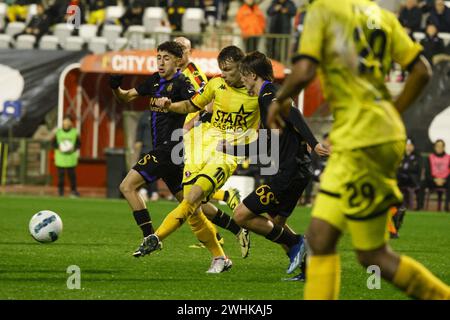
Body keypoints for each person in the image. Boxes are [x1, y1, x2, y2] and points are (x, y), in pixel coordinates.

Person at [267, 0, 449, 299]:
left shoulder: (323, 10)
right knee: (337, 244)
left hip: (363, 139)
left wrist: (282, 98)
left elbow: (304, 69)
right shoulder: (382, 16)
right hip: (374, 135)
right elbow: (422, 70)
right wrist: (393, 112)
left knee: (360, 250)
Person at [140, 46, 266, 272]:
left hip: (228, 151)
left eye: (228, 70)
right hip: (201, 144)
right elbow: (191, 105)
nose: (223, 74)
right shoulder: (215, 84)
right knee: (191, 204)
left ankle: (156, 237)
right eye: (221, 70)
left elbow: (278, 114)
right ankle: (219, 257)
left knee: (194, 197)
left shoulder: (257, 93)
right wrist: (171, 106)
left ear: (242, 67)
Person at [110, 41, 231, 273]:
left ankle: (149, 237)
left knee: (127, 186)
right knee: (192, 208)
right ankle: (221, 255)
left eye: (166, 58)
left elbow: (203, 103)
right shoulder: (154, 80)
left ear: (178, 61)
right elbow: (125, 97)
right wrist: (115, 88)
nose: (161, 62)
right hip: (171, 154)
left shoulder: (183, 82)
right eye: (158, 57)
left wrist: (186, 111)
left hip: (168, 150)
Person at [234, 51, 329, 280]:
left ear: (252, 75)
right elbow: (266, 143)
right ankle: (309, 271)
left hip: (289, 172)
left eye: (243, 76)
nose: (242, 81)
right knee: (276, 223)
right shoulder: (267, 98)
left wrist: (313, 142)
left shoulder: (269, 94)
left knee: (241, 215)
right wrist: (231, 150)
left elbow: (293, 113)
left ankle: (298, 242)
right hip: (293, 170)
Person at [174, 36, 250, 256]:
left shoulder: (194, 73)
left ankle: (215, 237)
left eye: (182, 49)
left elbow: (206, 103)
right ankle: (223, 220)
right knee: (188, 195)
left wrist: (191, 126)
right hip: (193, 136)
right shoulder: (178, 73)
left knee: (188, 194)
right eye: (175, 49)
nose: (179, 53)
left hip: (200, 137)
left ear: (190, 51)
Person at [53, 115, 81, 198]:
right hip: (60, 158)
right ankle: (60, 192)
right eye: (65, 121)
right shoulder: (58, 132)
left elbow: (79, 144)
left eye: (68, 121)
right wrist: (59, 147)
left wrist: (73, 148)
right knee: (61, 177)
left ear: (71, 123)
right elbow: (53, 144)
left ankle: (73, 191)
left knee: (72, 177)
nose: (66, 123)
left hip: (71, 158)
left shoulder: (75, 132)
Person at [418, 139, 450, 211]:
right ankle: (420, 207)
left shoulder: (449, 158)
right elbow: (427, 172)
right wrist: (434, 179)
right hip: (432, 181)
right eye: (438, 146)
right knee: (422, 183)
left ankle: (447, 207)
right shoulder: (430, 158)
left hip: (445, 181)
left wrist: (444, 180)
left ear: (444, 147)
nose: (439, 148)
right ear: (435, 147)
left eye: (441, 146)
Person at [134, 110, 159, 201]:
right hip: (145, 149)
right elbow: (139, 134)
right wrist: (137, 149)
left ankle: (153, 192)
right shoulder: (144, 115)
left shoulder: (163, 115)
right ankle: (145, 191)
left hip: (157, 148)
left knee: (154, 171)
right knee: (144, 171)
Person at [397, 138, 421, 208]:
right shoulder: (401, 155)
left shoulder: (417, 156)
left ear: (413, 147)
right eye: (407, 145)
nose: (408, 147)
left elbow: (416, 169)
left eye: (410, 145)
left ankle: (416, 206)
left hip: (412, 180)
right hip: (401, 179)